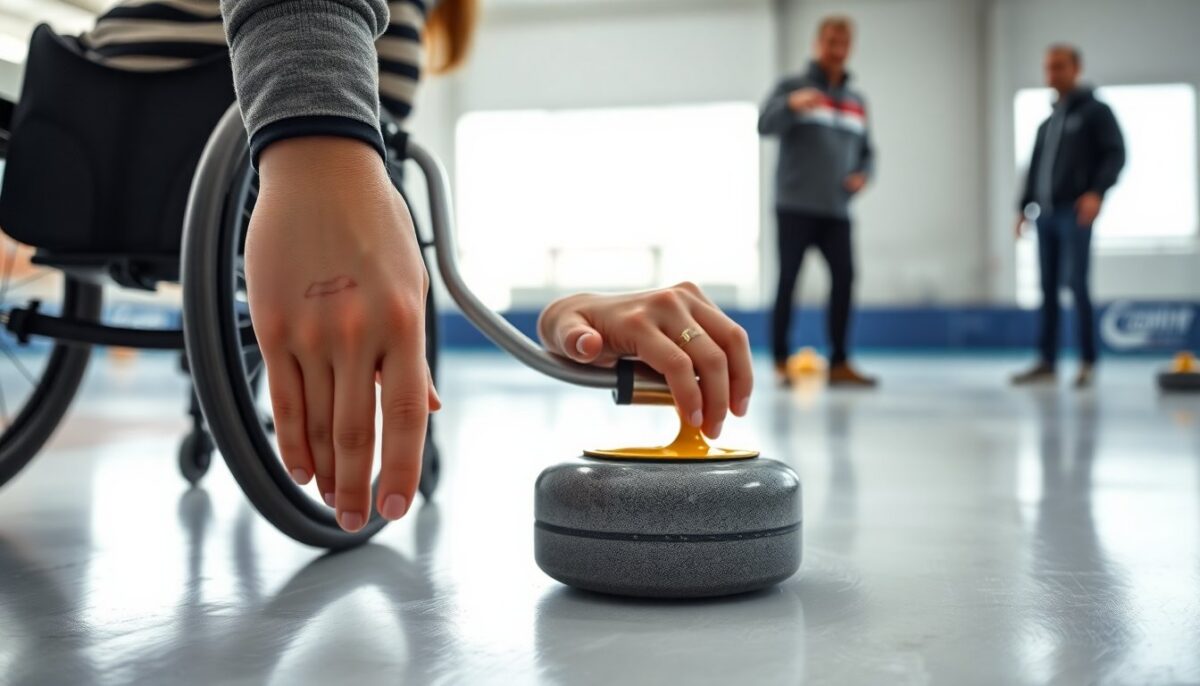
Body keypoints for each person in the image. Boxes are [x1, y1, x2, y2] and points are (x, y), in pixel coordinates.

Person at [76, 0, 754, 531]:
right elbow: (368, 173)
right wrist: (319, 137)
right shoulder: (387, 25)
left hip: (89, 172)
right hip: (259, 185)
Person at [758, 15, 876, 389]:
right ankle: (780, 361)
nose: (836, 49)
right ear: (817, 44)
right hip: (794, 204)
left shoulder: (857, 101)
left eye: (843, 42)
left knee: (845, 279)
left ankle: (839, 362)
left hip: (837, 209)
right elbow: (764, 125)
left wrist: (864, 174)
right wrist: (791, 105)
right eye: (830, 41)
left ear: (850, 47)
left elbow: (868, 152)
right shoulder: (792, 86)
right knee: (788, 281)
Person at [1012, 44, 1125, 389]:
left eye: (1059, 66)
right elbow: (1034, 170)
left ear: (1076, 68)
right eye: (1048, 67)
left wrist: (1096, 192)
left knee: (1077, 285)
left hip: (1073, 213)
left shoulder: (1095, 113)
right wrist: (1022, 207)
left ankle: (1087, 361)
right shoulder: (1048, 123)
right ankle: (1047, 360)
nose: (1052, 74)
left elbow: (1115, 154)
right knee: (1046, 288)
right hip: (1044, 215)